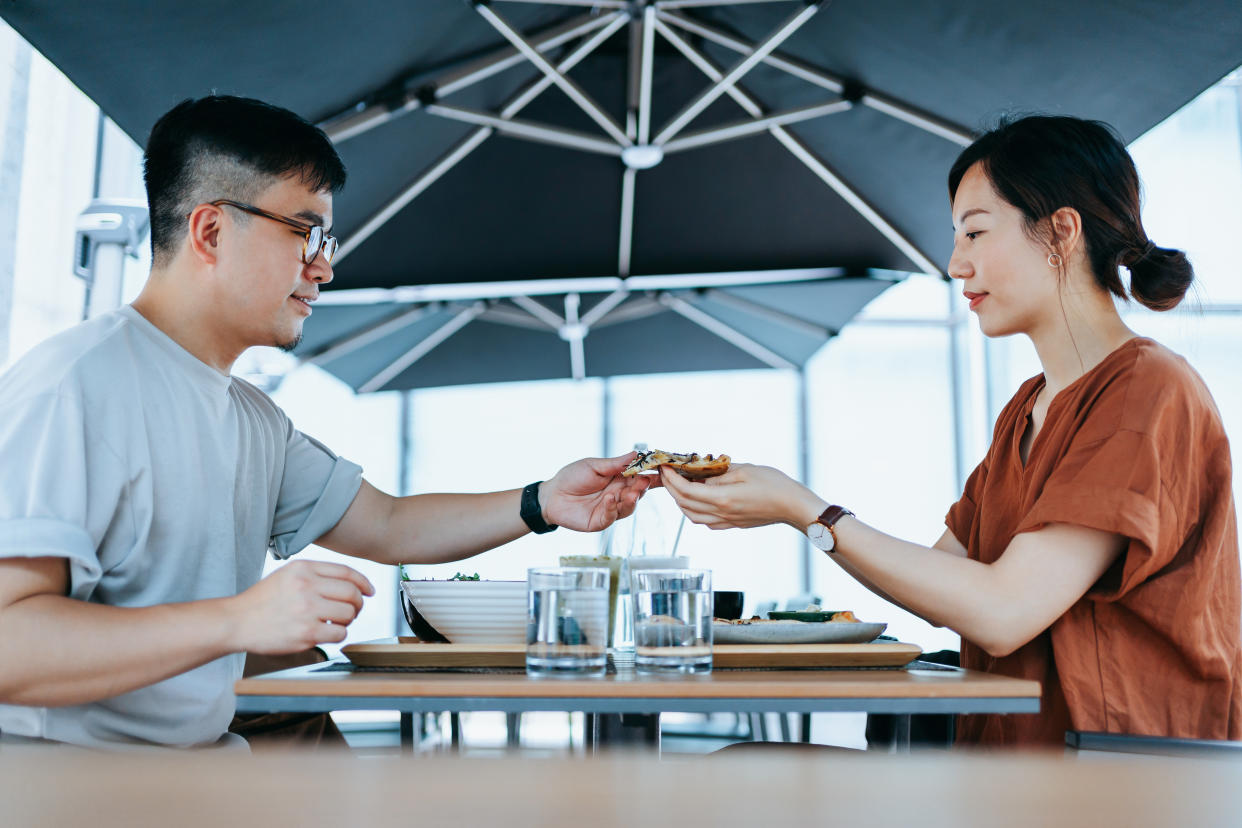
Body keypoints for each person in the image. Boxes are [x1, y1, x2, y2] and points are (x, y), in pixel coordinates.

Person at [0, 96, 652, 750]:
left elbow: (391, 524)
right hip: (74, 789)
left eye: (326, 240)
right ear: (210, 232)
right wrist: (238, 621)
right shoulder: (74, 387)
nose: (325, 267)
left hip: (201, 777)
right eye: (303, 233)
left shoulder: (253, 420)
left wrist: (544, 501)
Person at [661, 115, 1240, 747]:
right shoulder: (1029, 407)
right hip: (1009, 763)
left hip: (1112, 783)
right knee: (744, 764)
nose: (955, 264)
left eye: (975, 232)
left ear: (1062, 232)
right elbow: (944, 579)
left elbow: (1001, 610)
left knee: (746, 773)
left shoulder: (1147, 391)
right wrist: (790, 538)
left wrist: (805, 511)